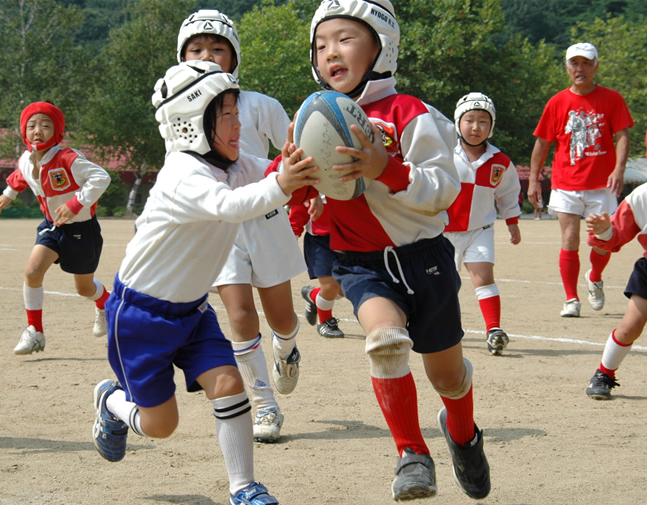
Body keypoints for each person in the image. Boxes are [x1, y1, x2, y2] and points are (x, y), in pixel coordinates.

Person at [269, 1, 491, 500]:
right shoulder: (310, 115)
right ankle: (412, 453)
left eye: (345, 39)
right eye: (321, 44)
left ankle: (463, 434)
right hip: (360, 263)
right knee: (385, 342)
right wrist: (289, 177)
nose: (330, 52)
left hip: (426, 260)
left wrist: (383, 166)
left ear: (381, 47)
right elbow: (290, 185)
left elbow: (444, 186)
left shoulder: (410, 113)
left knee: (449, 377)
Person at [91, 61, 317, 505]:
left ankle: (243, 488)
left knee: (230, 384)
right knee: (161, 426)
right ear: (192, 123)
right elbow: (232, 206)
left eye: (238, 112)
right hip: (140, 317)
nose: (240, 123)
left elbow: (269, 171)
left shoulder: (231, 164)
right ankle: (110, 403)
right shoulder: (182, 173)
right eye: (227, 115)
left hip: (192, 311)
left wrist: (301, 164)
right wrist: (283, 183)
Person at [177, 9, 305, 443]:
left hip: (266, 218)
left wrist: (310, 192)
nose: (207, 56)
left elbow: (293, 150)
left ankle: (287, 349)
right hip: (219, 225)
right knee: (240, 315)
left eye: (218, 48)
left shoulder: (260, 105)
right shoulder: (178, 111)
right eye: (197, 49)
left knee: (281, 318)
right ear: (182, 57)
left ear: (234, 57)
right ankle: (266, 404)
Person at [0, 101, 111, 355]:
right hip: (51, 227)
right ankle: (35, 332)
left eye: (46, 125)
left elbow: (101, 177)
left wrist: (75, 203)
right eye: (32, 125)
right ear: (23, 131)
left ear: (57, 132)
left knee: (84, 289)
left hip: (81, 230)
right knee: (33, 271)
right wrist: (7, 194)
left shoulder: (68, 157)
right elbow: (20, 176)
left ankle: (106, 304)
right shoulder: (26, 158)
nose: (38, 130)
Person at [527, 42, 634, 318]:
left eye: (586, 63)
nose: (580, 69)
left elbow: (623, 135)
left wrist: (619, 169)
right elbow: (542, 144)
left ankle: (595, 276)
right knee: (570, 238)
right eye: (575, 63)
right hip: (565, 183)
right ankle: (571, 299)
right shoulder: (557, 102)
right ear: (567, 67)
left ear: (596, 65)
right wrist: (534, 180)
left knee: (602, 241)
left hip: (602, 185)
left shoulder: (612, 98)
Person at [443, 92, 522, 356]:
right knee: (445, 284)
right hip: (443, 233)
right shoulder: (443, 153)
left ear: (492, 126)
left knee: (483, 277)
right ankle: (441, 329)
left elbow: (508, 193)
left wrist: (512, 221)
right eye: (469, 120)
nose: (476, 127)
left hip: (480, 230)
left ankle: (494, 330)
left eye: (483, 122)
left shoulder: (500, 161)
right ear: (458, 123)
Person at [584, 182, 647, 399]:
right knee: (629, 327)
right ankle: (604, 373)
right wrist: (604, 231)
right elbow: (617, 236)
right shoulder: (642, 196)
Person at [289, 196, 346, 338]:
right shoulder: (312, 184)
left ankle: (313, 296)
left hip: (346, 238)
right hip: (320, 241)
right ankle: (325, 321)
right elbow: (299, 211)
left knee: (346, 289)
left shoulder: (349, 179)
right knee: (330, 287)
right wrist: (293, 237)